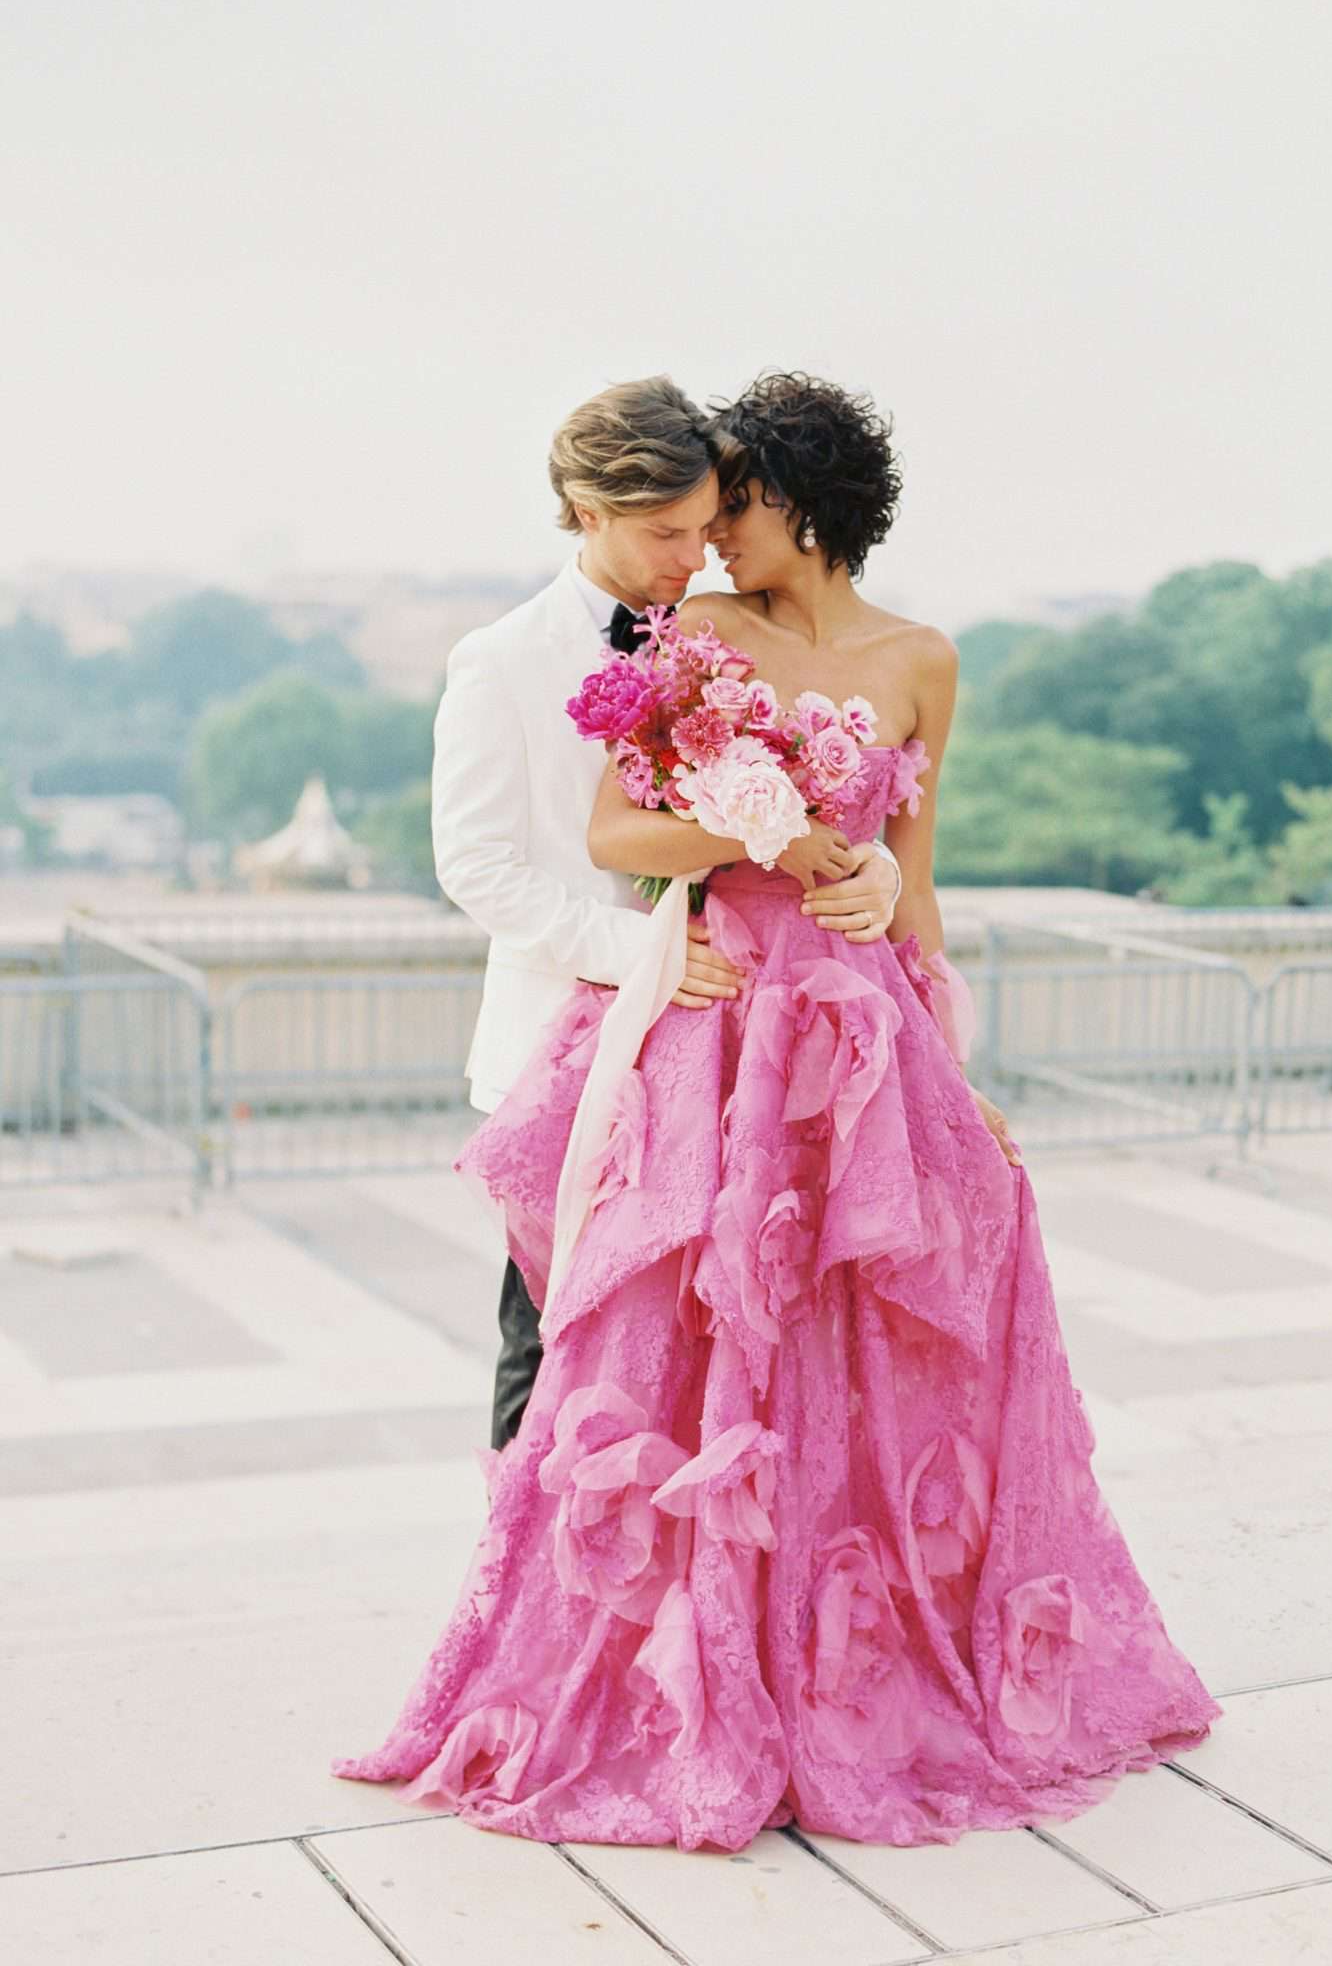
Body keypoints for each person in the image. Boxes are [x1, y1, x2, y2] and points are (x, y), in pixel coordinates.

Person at [333, 371, 1222, 1850]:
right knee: (634, 1350)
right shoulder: (678, 643)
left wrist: (919, 990)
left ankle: (848, 1654)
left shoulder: (921, 659)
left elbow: (914, 875)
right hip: (693, 1022)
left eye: (726, 510)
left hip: (861, 1037)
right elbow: (612, 832)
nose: (705, 544)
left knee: (859, 1343)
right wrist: (772, 831)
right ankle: (613, 1655)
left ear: (793, 510)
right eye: (685, 518)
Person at [429, 376, 902, 1449]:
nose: (693, 556)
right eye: (665, 532)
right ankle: (524, 1601)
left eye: (704, 528)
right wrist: (636, 954)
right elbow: (477, 865)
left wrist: (863, 864)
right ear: (586, 510)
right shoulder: (501, 659)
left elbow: (802, 799)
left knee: (685, 1356)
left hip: (722, 1055)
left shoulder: (717, 633)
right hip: (570, 1037)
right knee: (552, 1337)